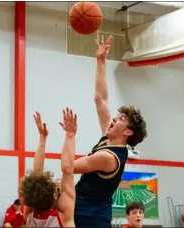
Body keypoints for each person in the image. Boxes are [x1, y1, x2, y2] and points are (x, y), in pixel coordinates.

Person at [73, 35, 148, 228]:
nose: (114, 119)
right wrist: (101, 60)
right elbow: (101, 99)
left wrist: (69, 137)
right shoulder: (109, 136)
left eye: (121, 119)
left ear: (128, 132)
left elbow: (69, 166)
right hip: (82, 211)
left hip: (90, 219)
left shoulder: (110, 157)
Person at [20, 108, 77, 227]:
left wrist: (43, 137)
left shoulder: (29, 217)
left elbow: (36, 177)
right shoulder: (63, 219)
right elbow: (67, 169)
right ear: (55, 195)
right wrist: (70, 135)